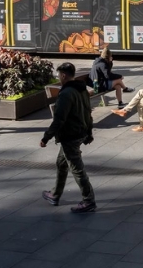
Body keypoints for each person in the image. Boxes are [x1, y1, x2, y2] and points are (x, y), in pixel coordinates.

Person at [40, 62, 96, 213]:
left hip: (70, 135)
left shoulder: (66, 94)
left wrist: (46, 137)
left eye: (59, 75)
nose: (59, 78)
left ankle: (88, 200)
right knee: (61, 163)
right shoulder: (82, 89)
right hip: (81, 131)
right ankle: (55, 194)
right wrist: (89, 131)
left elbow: (59, 120)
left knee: (77, 169)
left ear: (63, 75)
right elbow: (88, 112)